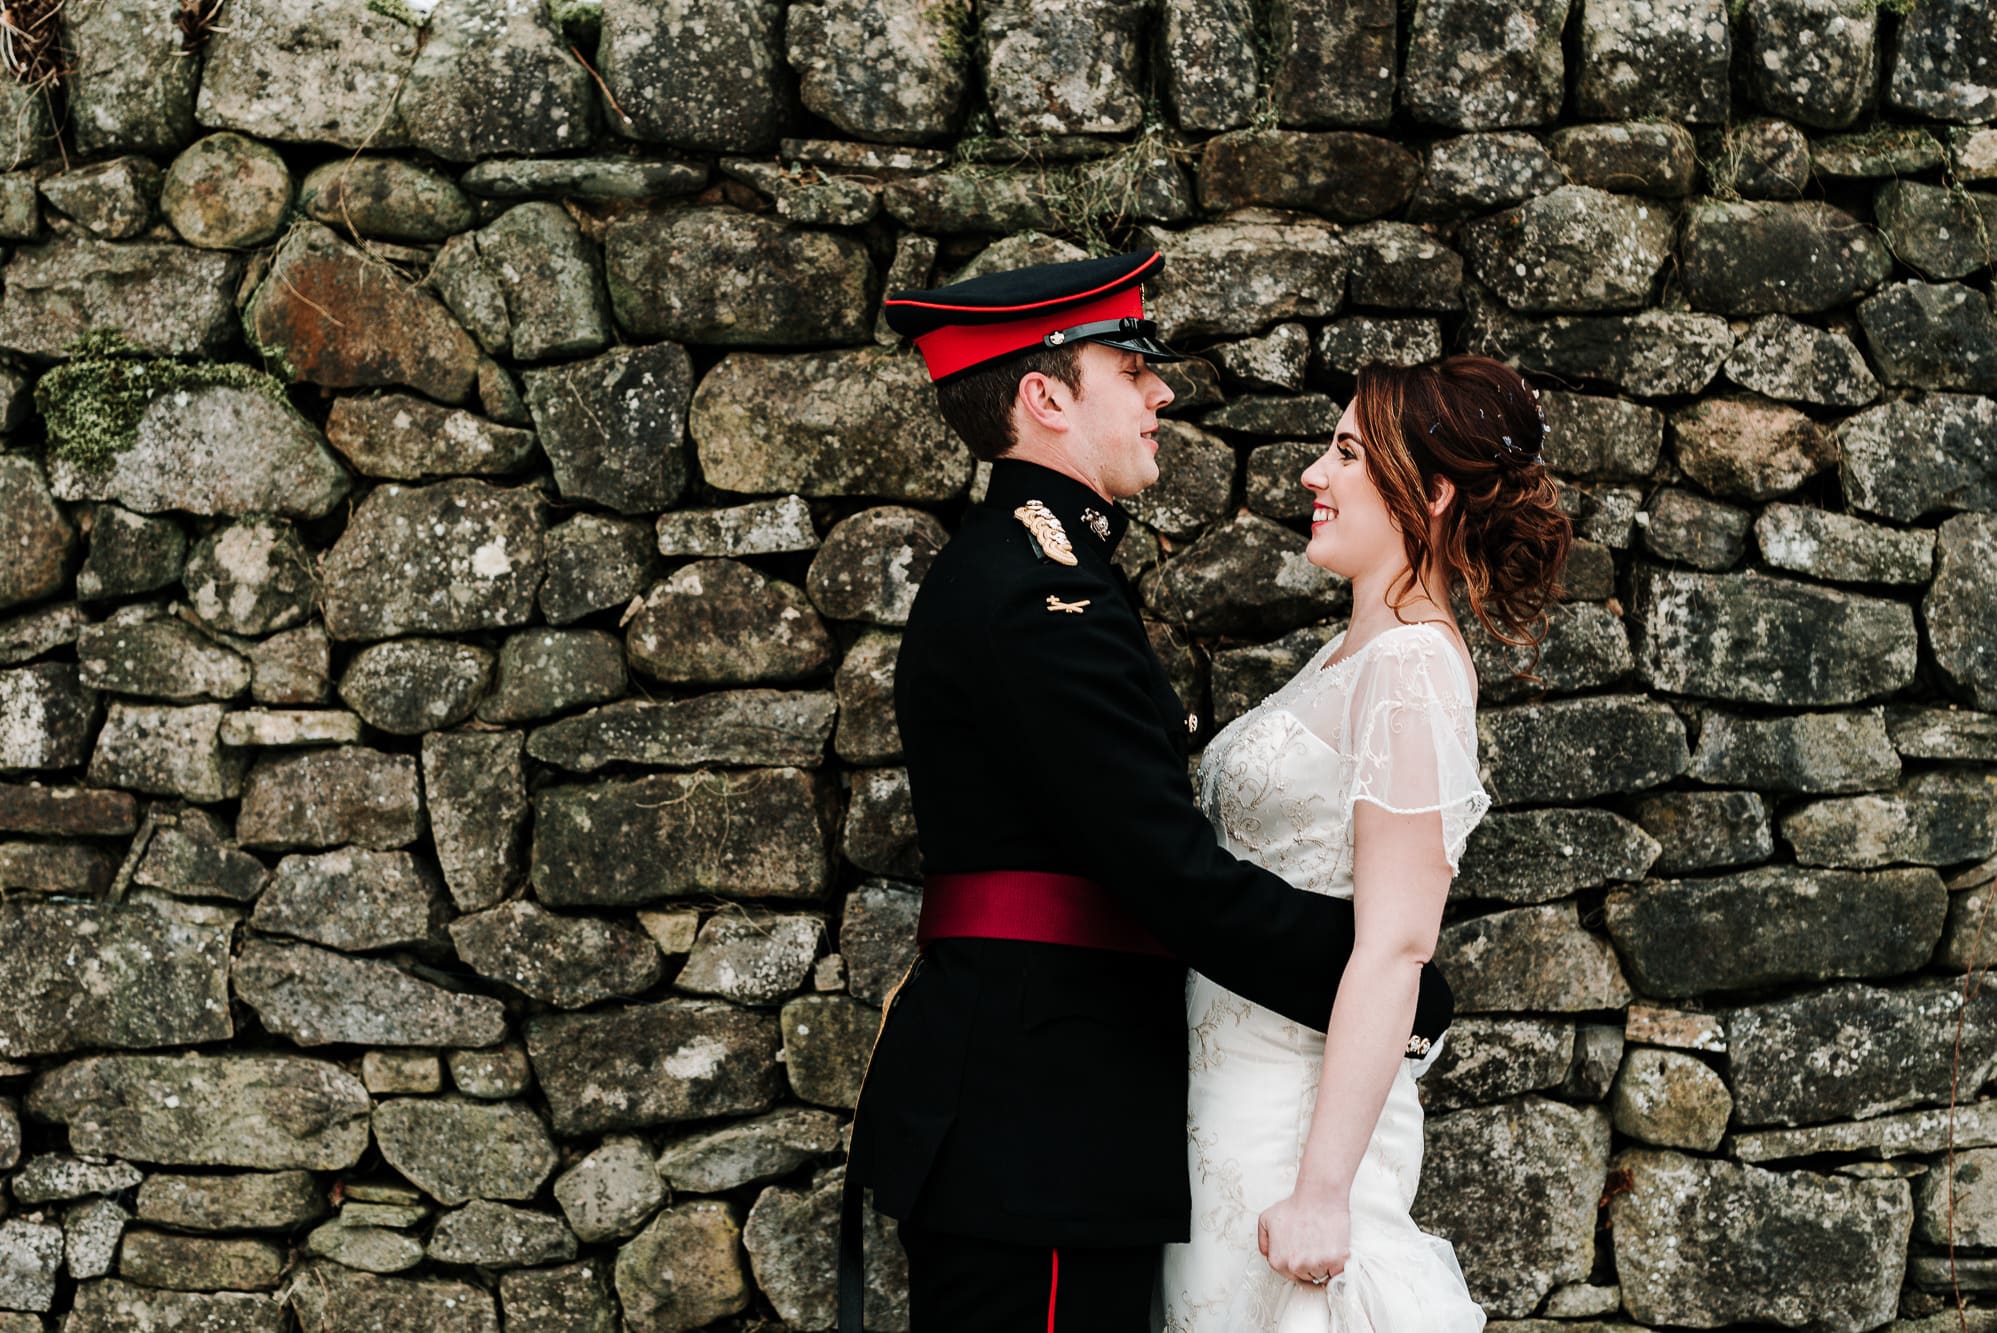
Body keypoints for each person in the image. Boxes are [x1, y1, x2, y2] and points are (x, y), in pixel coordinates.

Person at [838, 250, 1457, 1333]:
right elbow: (1166, 874)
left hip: (1051, 1107)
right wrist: (1390, 983)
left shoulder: (1046, 573)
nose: (1159, 391)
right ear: (1044, 398)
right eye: (1128, 369)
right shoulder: (1033, 597)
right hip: (1039, 1117)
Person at [1158, 356, 1572, 1331]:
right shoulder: (1350, 651)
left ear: (1427, 494)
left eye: (1344, 451)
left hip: (1293, 1120)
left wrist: (1321, 1190)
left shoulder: (1410, 667)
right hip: (1224, 1093)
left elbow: (1394, 940)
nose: (1312, 473)